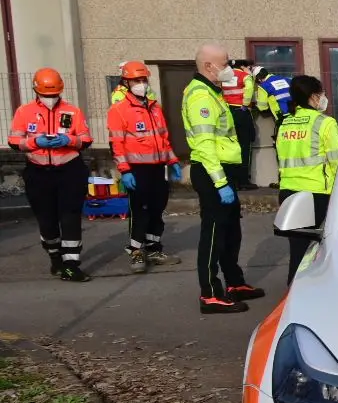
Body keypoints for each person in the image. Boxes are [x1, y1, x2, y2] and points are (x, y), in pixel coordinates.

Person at [183, 44, 262, 314]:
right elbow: (205, 145)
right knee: (214, 233)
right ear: (208, 66)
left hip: (221, 171)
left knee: (230, 230)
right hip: (211, 172)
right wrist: (220, 183)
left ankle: (234, 282)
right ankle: (210, 293)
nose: (230, 68)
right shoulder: (201, 97)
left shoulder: (212, 92)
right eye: (225, 63)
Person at [7, 67, 93, 281]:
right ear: (37, 92)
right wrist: (35, 142)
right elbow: (14, 141)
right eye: (46, 95)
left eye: (54, 95)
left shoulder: (73, 111)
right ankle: (55, 257)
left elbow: (86, 139)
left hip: (70, 170)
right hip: (38, 172)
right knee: (46, 219)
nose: (50, 99)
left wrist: (70, 141)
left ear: (60, 91)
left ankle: (72, 264)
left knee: (70, 216)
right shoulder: (23, 112)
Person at [106, 60, 181, 272]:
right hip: (137, 169)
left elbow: (163, 138)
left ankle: (154, 248)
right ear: (126, 83)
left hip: (158, 168)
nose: (141, 83)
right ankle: (136, 251)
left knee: (157, 209)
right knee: (139, 211)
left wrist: (173, 160)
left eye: (143, 79)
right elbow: (116, 144)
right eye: (136, 80)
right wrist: (125, 170)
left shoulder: (154, 108)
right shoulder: (119, 110)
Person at [276, 75, 338, 281]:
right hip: (316, 194)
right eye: (321, 93)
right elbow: (337, 162)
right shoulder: (325, 123)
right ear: (314, 97)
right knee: (315, 250)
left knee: (297, 247)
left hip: (288, 192)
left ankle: (293, 288)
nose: (323, 97)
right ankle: (302, 291)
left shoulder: (285, 123)